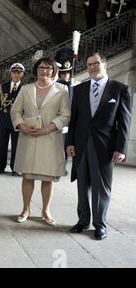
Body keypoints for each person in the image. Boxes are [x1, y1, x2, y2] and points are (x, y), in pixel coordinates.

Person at [67, 52, 132, 240]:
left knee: (100, 187)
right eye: (89, 65)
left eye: (95, 64)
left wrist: (121, 149)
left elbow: (125, 122)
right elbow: (74, 119)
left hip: (105, 146)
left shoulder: (120, 89)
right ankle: (82, 220)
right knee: (82, 184)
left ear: (105, 64)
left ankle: (99, 224)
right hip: (81, 144)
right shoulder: (79, 89)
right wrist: (70, 142)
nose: (92, 68)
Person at [11, 57, 70, 226]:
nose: (44, 71)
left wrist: (47, 129)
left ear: (53, 71)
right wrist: (21, 126)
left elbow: (65, 115)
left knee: (48, 177)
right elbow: (15, 111)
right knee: (27, 176)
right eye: (41, 68)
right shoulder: (26, 89)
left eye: (48, 68)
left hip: (50, 138)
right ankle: (26, 209)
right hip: (28, 136)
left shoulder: (62, 90)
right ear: (36, 70)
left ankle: (46, 210)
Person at [0, 63, 24, 176]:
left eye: (18, 72)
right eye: (14, 72)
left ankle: (15, 168)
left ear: (22, 74)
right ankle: (0, 167)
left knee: (16, 145)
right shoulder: (3, 86)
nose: (16, 75)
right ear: (10, 73)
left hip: (18, 121)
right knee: (2, 144)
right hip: (4, 119)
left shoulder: (24, 88)